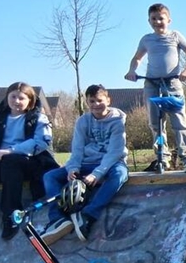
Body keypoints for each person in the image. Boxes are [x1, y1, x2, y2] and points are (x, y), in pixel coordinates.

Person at [40, 84, 129, 244]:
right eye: (92, 101)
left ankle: (88, 215)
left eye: (99, 100)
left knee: (120, 175)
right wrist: (73, 167)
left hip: (111, 163)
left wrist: (98, 173)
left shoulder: (117, 121)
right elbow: (77, 148)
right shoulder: (83, 121)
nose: (96, 105)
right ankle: (57, 219)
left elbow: (115, 151)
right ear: (87, 103)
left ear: (108, 100)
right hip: (87, 162)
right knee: (50, 176)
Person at [0, 82, 59, 241]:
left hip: (29, 162)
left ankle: (10, 215)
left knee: (11, 161)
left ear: (29, 101)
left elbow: (41, 142)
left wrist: (11, 150)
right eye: (13, 97)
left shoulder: (37, 118)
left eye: (21, 98)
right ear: (7, 98)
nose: (17, 101)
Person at [125, 3, 186, 171]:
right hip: (152, 84)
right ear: (149, 20)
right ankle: (162, 157)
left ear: (169, 20)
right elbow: (137, 58)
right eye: (154, 19)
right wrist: (131, 71)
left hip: (172, 84)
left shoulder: (175, 36)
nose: (158, 22)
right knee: (156, 125)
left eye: (161, 18)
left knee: (179, 123)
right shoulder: (146, 39)